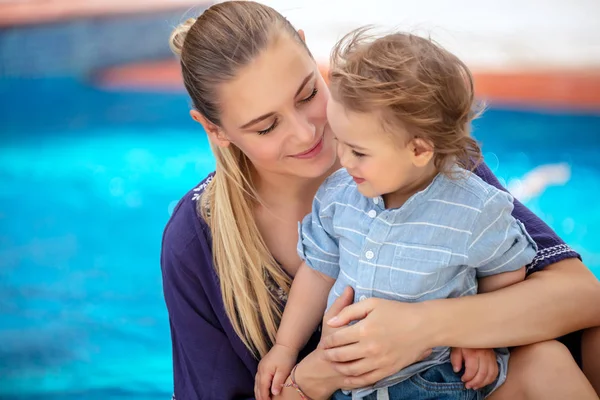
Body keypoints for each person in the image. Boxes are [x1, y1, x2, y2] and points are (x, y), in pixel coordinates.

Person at [161, 1, 600, 399]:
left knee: (556, 355)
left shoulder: (413, 156)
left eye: (308, 94)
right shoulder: (194, 239)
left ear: (309, 51)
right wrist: (318, 375)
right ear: (214, 129)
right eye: (265, 127)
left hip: (451, 384)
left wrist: (422, 326)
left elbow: (581, 297)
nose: (307, 133)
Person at [256, 28, 538, 400]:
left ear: (419, 150)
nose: (343, 160)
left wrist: (480, 336)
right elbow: (318, 272)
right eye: (340, 142)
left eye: (358, 151)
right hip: (351, 384)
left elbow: (506, 270)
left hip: (437, 380)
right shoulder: (340, 195)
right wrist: (285, 348)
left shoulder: (474, 208)